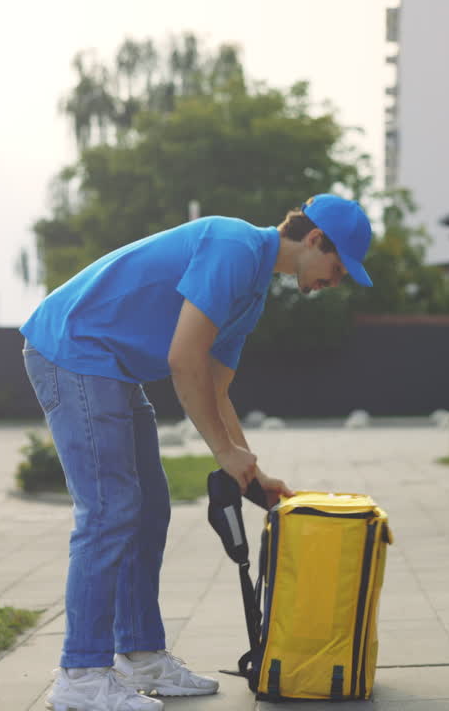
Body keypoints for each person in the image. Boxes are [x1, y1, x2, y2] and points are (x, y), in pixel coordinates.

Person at [20, 194, 374, 711]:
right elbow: (184, 361)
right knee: (110, 509)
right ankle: (81, 673)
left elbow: (216, 387)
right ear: (315, 240)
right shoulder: (233, 247)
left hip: (109, 366)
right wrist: (224, 453)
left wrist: (251, 473)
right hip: (73, 349)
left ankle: (139, 655)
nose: (334, 282)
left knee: (149, 509)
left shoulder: (252, 291)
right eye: (337, 269)